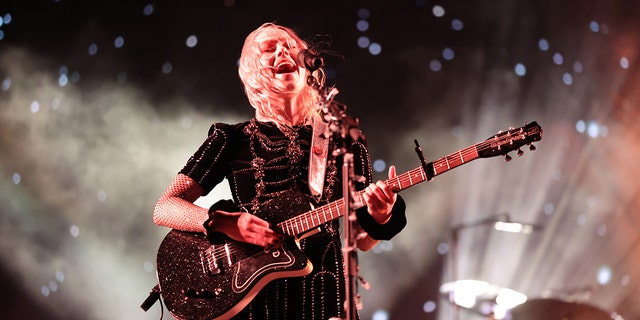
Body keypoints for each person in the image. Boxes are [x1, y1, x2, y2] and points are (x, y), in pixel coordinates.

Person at [153, 22, 407, 320]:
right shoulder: (231, 138)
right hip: (252, 299)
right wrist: (223, 222)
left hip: (324, 299)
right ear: (250, 72)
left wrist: (381, 215)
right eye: (268, 49)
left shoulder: (344, 139)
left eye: (289, 47)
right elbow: (165, 207)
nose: (282, 52)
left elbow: (362, 240)